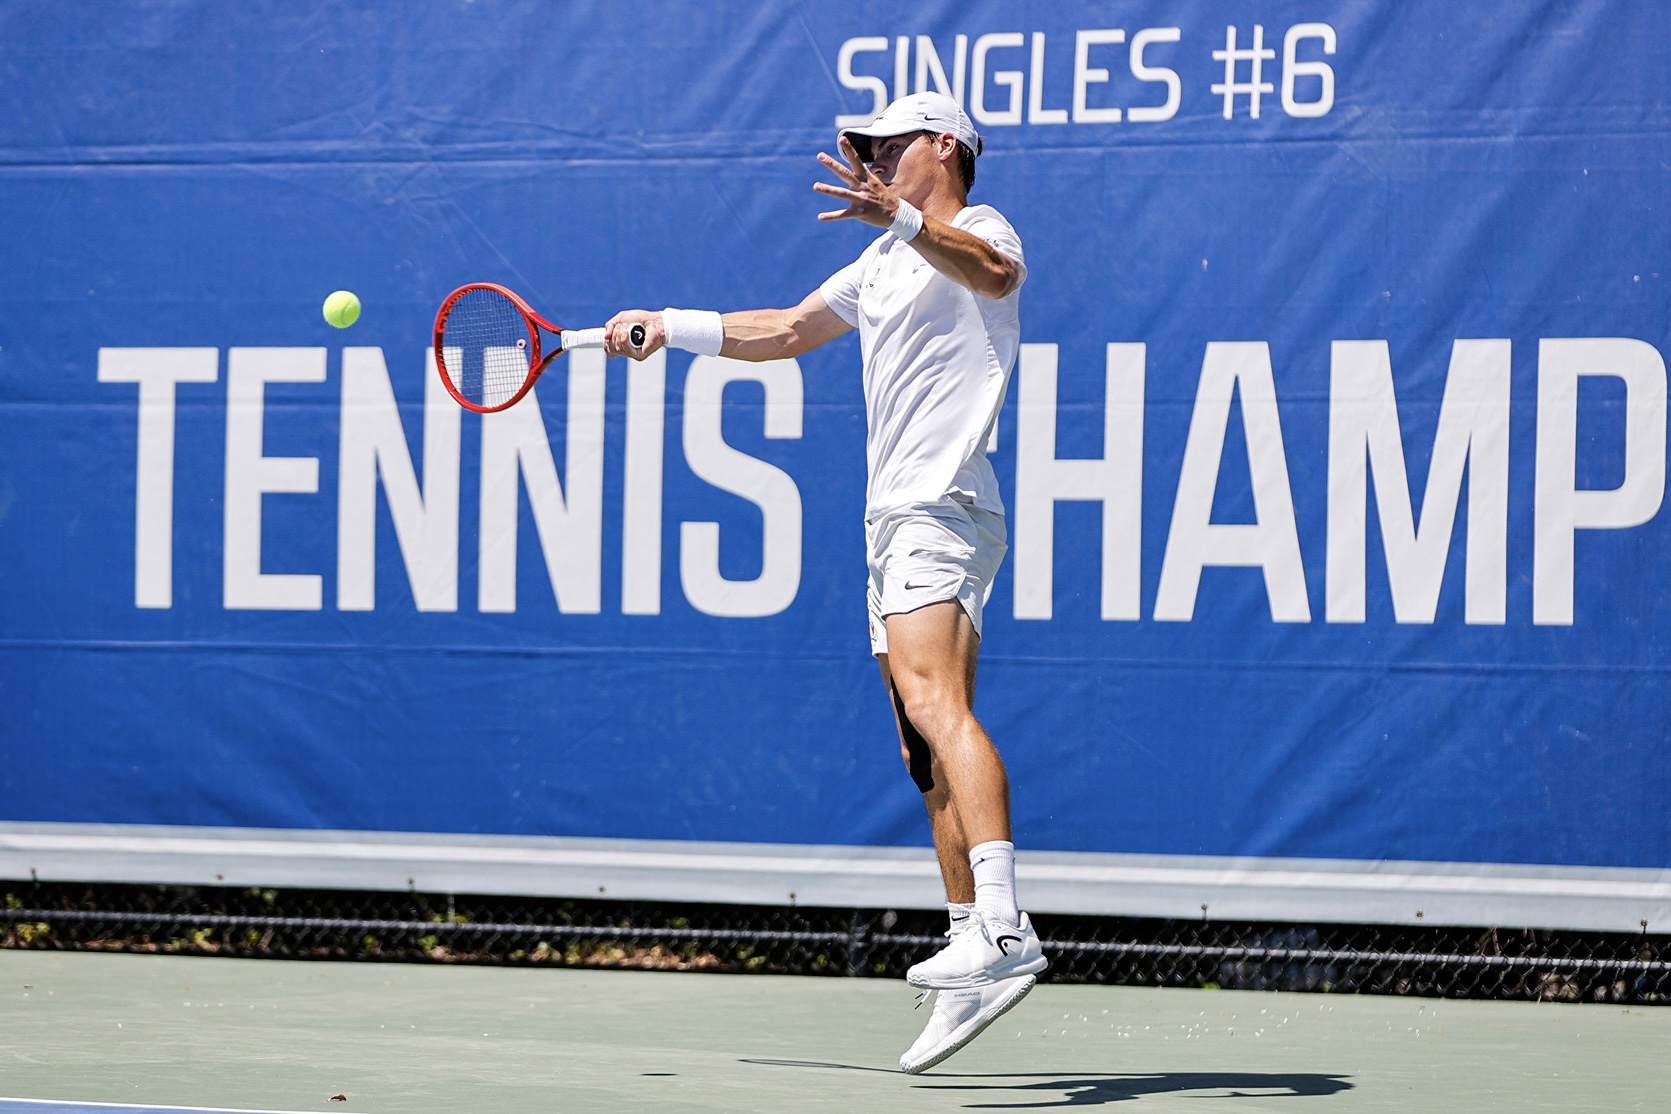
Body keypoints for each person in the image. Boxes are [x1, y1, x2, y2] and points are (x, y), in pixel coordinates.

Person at [603, 91, 1046, 1073]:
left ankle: (1007, 925)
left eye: (889, 147)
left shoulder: (973, 227)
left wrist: (896, 214)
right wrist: (668, 327)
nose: (874, 161)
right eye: (866, 151)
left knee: (940, 704)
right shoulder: (882, 260)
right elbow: (789, 328)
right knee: (920, 752)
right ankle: (972, 950)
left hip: (940, 505)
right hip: (890, 522)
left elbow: (996, 273)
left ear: (944, 146)